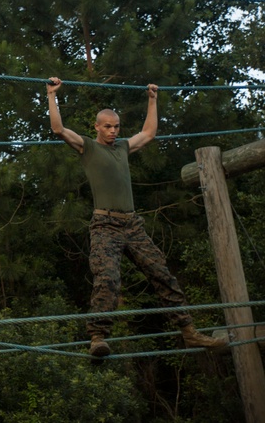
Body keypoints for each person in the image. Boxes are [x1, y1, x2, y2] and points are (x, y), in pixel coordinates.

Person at [45, 77, 228, 357]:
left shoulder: (122, 148)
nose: (112, 131)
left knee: (163, 275)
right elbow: (58, 129)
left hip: (132, 225)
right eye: (107, 126)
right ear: (96, 127)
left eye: (116, 126)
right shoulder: (88, 147)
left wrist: (152, 99)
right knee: (108, 279)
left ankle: (188, 332)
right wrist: (51, 95)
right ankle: (97, 337)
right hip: (105, 225)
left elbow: (149, 133)